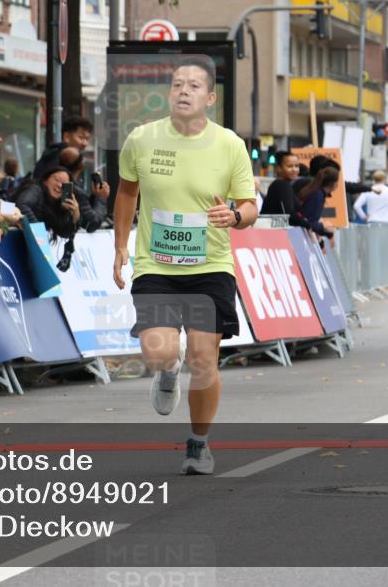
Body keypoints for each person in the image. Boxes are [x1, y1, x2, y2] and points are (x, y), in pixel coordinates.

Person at [112, 56, 257, 476]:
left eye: (194, 86)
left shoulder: (229, 144)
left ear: (210, 98)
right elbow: (126, 193)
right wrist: (121, 245)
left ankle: (198, 445)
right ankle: (166, 372)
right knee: (158, 353)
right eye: (177, 84)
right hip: (156, 264)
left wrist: (235, 215)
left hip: (210, 264)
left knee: (203, 358)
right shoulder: (142, 138)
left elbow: (249, 206)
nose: (184, 91)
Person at [15, 165, 80, 240]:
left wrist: (75, 215)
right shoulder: (35, 189)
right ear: (45, 181)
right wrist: (39, 232)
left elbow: (64, 233)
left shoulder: (56, 204)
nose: (59, 185)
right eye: (57, 180)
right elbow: (21, 205)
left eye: (64, 183)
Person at [58, 146, 107, 232]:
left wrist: (95, 196)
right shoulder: (76, 192)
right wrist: (101, 197)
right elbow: (92, 223)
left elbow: (85, 213)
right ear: (81, 166)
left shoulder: (61, 185)